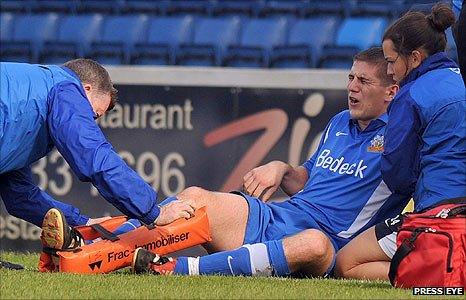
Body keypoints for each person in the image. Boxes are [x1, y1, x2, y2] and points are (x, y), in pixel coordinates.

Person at [128, 47, 410, 277]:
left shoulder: (401, 139)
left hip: (329, 242)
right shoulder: (339, 122)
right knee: (195, 197)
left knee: (313, 244)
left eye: (363, 81)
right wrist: (281, 168)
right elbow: (305, 181)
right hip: (280, 216)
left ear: (391, 92)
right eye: (351, 78)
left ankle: (177, 269)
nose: (352, 87)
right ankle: (108, 243)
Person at [335, 3, 466, 281]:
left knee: (346, 261)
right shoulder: (460, 79)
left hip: (439, 213)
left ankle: (437, 276)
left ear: (415, 58)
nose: (390, 71)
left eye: (392, 61)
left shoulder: (410, 95)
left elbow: (398, 173)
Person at [0, 59, 194, 236]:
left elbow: (20, 195)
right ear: (86, 88)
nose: (90, 121)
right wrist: (153, 212)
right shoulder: (66, 89)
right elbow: (93, 155)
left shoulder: (25, 105)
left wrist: (81, 223)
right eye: (91, 115)